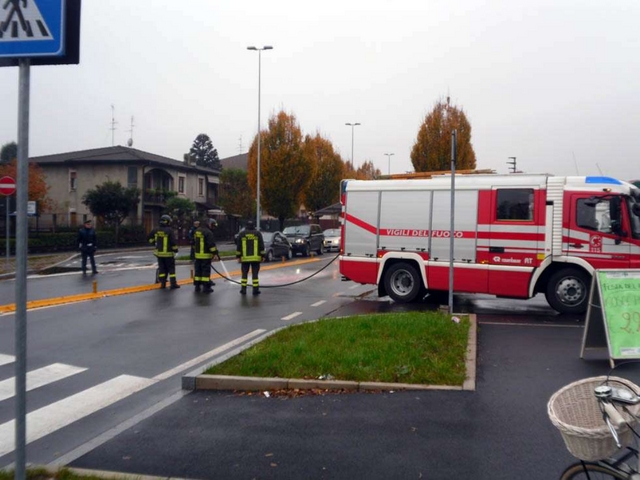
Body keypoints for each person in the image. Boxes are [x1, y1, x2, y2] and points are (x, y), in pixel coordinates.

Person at [148, 214, 180, 289]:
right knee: (171, 270)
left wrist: (154, 243)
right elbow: (173, 242)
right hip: (168, 254)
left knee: (162, 269)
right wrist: (176, 250)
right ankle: (173, 284)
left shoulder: (156, 230)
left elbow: (149, 238)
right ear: (167, 222)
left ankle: (162, 284)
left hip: (159, 254)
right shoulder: (169, 230)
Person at [236, 220, 265, 295]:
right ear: (253, 226)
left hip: (245, 259)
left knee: (244, 274)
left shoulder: (242, 234)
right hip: (256, 259)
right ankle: (255, 290)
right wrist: (263, 256)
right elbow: (261, 245)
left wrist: (238, 257)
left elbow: (239, 246)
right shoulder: (258, 233)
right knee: (255, 274)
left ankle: (243, 290)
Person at [193, 218, 220, 293]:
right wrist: (215, 253)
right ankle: (206, 287)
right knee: (205, 272)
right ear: (209, 224)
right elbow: (211, 245)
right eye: (213, 225)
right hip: (205, 255)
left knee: (198, 271)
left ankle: (197, 286)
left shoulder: (197, 231)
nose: (213, 227)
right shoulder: (208, 233)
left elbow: (194, 241)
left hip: (197, 255)